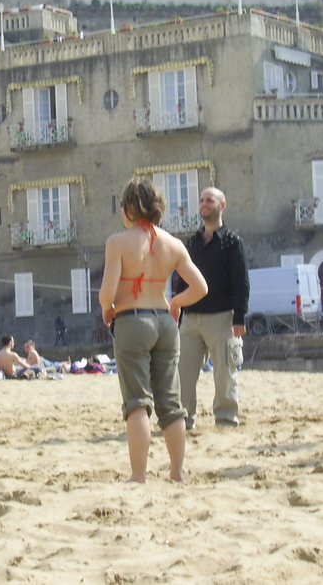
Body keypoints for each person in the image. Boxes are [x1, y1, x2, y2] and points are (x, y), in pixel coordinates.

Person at [99, 176, 208, 483]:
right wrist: (176, 303)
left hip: (132, 320)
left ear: (131, 207)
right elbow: (200, 287)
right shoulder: (173, 244)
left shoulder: (118, 242)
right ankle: (177, 470)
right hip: (164, 321)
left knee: (137, 402)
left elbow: (107, 293)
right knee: (171, 404)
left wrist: (108, 309)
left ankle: (138, 474)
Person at [176, 187, 250, 430]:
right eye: (202, 200)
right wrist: (177, 310)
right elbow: (182, 279)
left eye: (210, 200)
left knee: (225, 373)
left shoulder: (232, 242)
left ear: (222, 205)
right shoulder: (193, 242)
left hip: (222, 318)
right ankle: (184, 419)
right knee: (183, 372)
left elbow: (241, 282)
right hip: (191, 318)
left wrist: (239, 317)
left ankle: (226, 419)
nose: (204, 204)